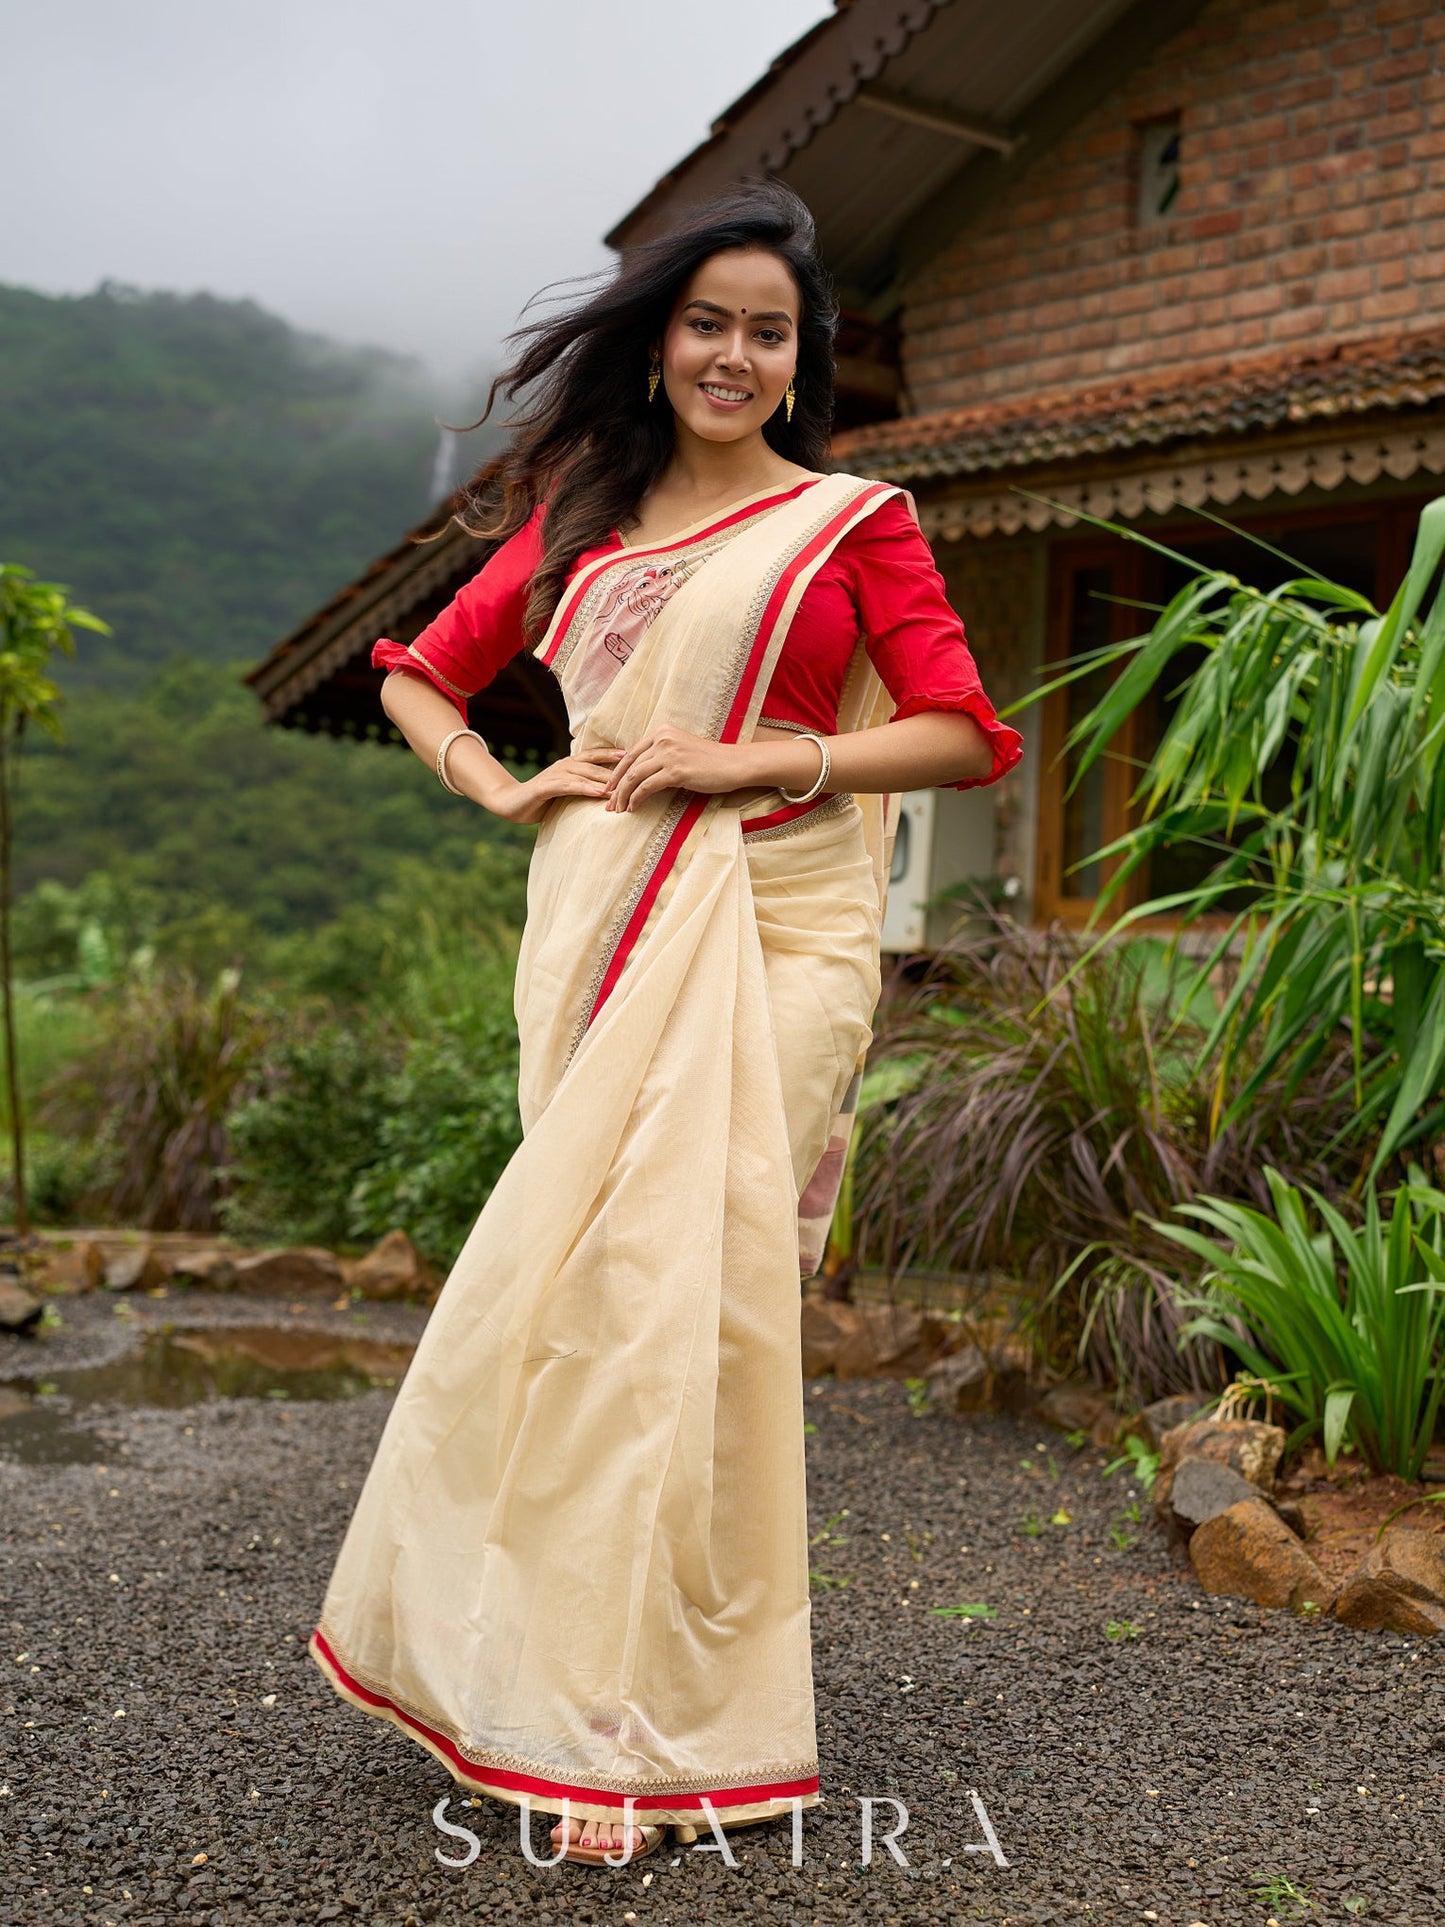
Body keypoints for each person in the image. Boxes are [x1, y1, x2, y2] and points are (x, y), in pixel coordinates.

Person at [307, 181, 1021, 1869]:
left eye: (767, 331)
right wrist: (500, 784)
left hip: (782, 929)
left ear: (799, 360)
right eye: (706, 321)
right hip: (599, 917)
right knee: (584, 1298)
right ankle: (528, 1675)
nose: (734, 353)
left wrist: (755, 758)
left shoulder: (850, 526)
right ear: (656, 342)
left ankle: (628, 1720)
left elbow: (961, 734)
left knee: (687, 1310)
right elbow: (417, 668)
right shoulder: (580, 518)